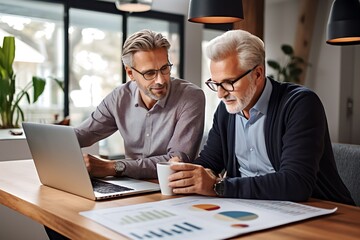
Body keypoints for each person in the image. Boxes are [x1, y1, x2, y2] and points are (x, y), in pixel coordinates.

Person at [44, 29, 205, 239]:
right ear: (130, 73)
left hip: (170, 195)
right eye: (149, 73)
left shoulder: (191, 97)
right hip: (129, 189)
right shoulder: (119, 97)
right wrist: (50, 141)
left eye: (165, 68)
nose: (160, 80)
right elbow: (84, 134)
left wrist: (114, 167)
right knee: (57, 218)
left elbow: (175, 162)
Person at [168, 29, 355, 206]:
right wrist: (184, 171)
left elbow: (296, 183)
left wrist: (219, 187)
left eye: (229, 82)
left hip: (321, 211)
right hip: (253, 208)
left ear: (258, 74)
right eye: (215, 83)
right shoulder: (226, 111)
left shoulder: (300, 104)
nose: (220, 94)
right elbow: (209, 163)